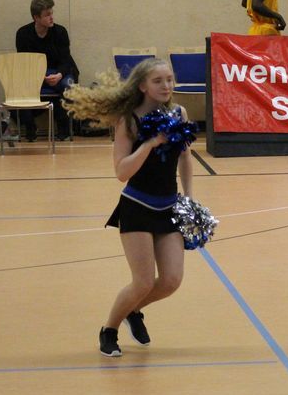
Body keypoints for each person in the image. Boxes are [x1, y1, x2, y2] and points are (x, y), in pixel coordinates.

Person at [63, 59, 194, 357]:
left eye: (170, 79)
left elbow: (185, 157)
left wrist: (189, 198)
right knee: (143, 282)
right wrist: (148, 144)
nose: (166, 86)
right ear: (142, 86)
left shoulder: (179, 113)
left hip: (169, 206)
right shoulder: (129, 120)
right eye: (158, 81)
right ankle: (109, 330)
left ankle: (133, 311)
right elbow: (121, 172)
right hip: (137, 206)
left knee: (171, 281)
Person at [15, 0, 79, 141]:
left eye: (52, 13)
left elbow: (66, 59)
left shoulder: (60, 31)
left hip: (59, 71)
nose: (51, 17)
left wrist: (59, 75)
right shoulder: (23, 34)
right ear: (36, 17)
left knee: (68, 86)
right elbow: (24, 61)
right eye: (47, 15)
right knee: (19, 87)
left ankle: (64, 129)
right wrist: (40, 76)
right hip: (34, 73)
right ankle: (30, 127)